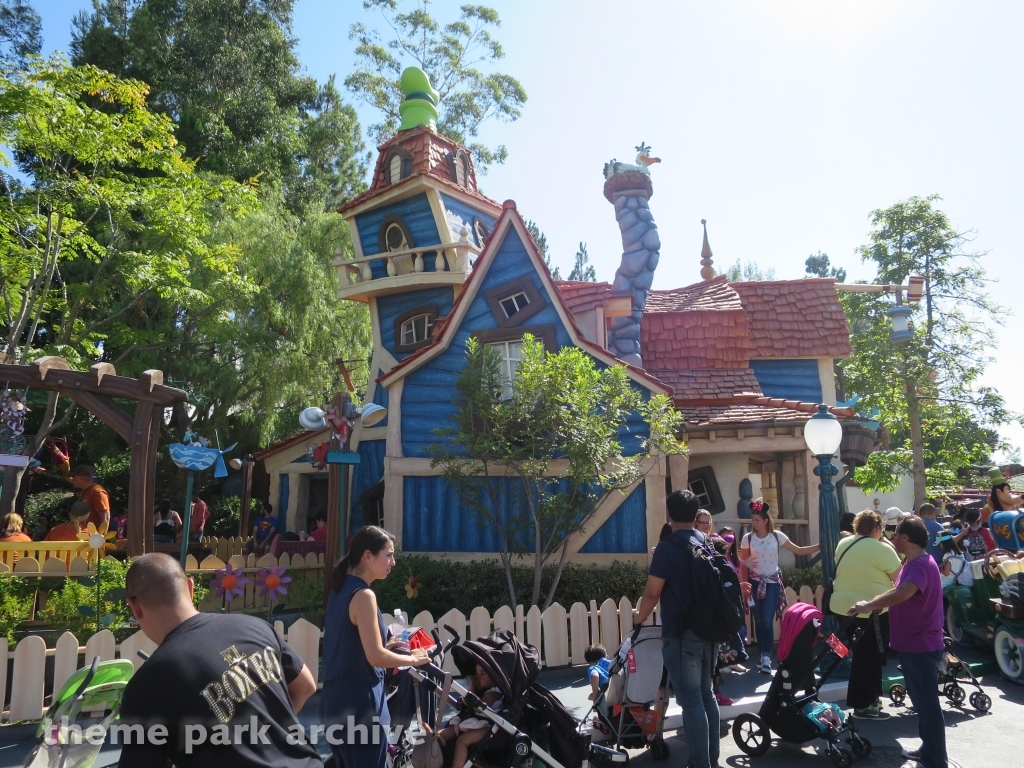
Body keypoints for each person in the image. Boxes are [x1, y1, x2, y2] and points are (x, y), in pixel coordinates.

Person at [117, 553, 321, 767]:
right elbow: (306, 685)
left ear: (135, 607)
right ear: (190, 588)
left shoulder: (148, 684)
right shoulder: (255, 627)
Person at [320, 526, 430, 768]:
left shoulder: (341, 588)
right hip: (361, 704)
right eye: (388, 555)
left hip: (333, 701)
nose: (393, 562)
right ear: (367, 556)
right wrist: (414, 659)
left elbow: (347, 644)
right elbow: (376, 657)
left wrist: (386, 645)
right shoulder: (364, 595)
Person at [850, 516, 947, 768]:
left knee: (927, 705)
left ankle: (936, 759)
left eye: (896, 535)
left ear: (905, 537)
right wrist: (873, 603)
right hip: (915, 645)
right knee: (923, 704)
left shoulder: (920, 565)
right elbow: (897, 590)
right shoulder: (913, 563)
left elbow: (903, 593)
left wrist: (869, 605)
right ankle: (929, 750)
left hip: (921, 646)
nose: (893, 539)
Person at [633, 489, 719, 768]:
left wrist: (639, 617)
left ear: (668, 513)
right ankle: (712, 759)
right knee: (706, 695)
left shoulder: (668, 547)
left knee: (692, 700)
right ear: (695, 515)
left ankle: (700, 763)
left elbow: (652, 592)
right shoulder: (707, 542)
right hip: (711, 631)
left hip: (682, 634)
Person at [829, 510, 901, 720]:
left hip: (841, 607)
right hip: (870, 609)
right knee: (868, 657)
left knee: (863, 654)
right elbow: (900, 578)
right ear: (878, 528)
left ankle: (872, 698)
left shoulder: (843, 544)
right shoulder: (882, 549)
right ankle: (862, 705)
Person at [739, 501, 820, 673]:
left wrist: (819, 546)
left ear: (765, 520)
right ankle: (763, 654)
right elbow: (743, 564)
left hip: (772, 583)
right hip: (754, 582)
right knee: (758, 621)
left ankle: (767, 657)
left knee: (767, 621)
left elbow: (798, 550)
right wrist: (745, 585)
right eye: (753, 520)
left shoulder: (777, 536)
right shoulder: (748, 538)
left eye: (757, 520)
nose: (754, 523)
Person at [429, 663, 505, 767]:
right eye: (476, 673)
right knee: (441, 735)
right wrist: (470, 690)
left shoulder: (494, 692)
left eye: (482, 674)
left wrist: (472, 690)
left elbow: (479, 708)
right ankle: (431, 752)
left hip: (488, 726)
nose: (477, 677)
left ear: (495, 678)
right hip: (473, 721)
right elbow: (465, 702)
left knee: (462, 741)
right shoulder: (481, 690)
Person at [71, 464, 110, 533]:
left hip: (94, 536)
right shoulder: (84, 491)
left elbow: (105, 516)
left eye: (74, 477)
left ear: (82, 478)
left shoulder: (97, 491)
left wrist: (101, 537)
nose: (72, 479)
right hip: (85, 535)